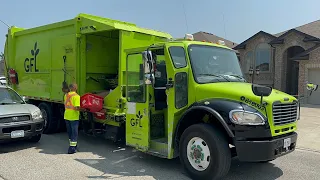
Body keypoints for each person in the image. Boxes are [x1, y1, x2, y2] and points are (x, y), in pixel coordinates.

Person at [64, 83, 83, 154]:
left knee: (70, 132)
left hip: (66, 115)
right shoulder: (76, 96)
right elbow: (77, 107)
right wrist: (84, 110)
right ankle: (72, 148)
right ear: (75, 88)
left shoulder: (66, 95)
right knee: (74, 133)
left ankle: (73, 145)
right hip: (74, 117)